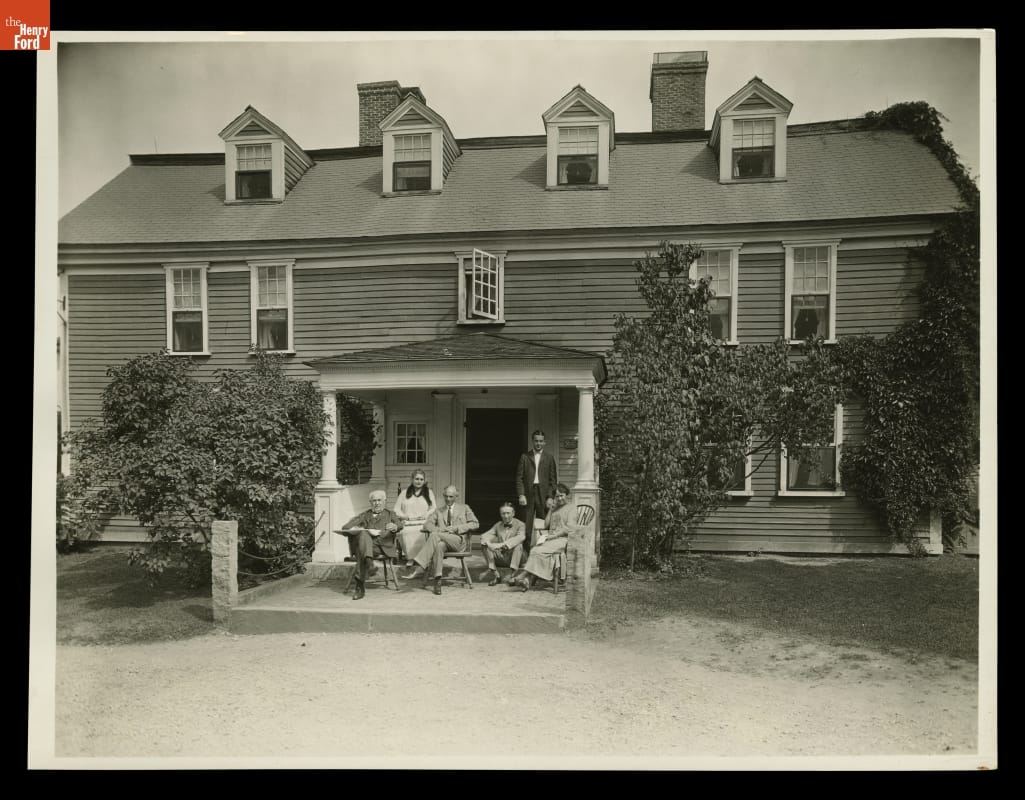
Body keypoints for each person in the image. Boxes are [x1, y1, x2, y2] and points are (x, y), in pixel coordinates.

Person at [401, 485, 479, 595]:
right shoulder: (438, 511)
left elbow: (475, 524)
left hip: (458, 541)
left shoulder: (464, 508)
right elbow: (427, 525)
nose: (448, 499)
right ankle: (437, 580)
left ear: (456, 496)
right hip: (443, 541)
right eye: (446, 496)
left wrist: (457, 528)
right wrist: (440, 530)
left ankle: (420, 565)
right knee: (439, 546)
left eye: (451, 497)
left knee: (434, 536)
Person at [335, 489, 400, 601]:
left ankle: (360, 586)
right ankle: (369, 563)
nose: (377, 503)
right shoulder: (365, 515)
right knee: (363, 535)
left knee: (361, 550)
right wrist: (357, 526)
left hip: (382, 548)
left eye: (379, 500)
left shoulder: (390, 514)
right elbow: (345, 528)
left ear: (385, 501)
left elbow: (399, 524)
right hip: (367, 547)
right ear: (370, 502)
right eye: (374, 501)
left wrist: (395, 526)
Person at [513, 483, 577, 592]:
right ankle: (527, 580)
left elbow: (569, 528)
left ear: (567, 495)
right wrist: (551, 510)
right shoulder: (556, 509)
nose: (559, 498)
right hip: (551, 539)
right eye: (557, 496)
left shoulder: (572, 508)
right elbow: (546, 525)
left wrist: (553, 536)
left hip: (563, 540)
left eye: (562, 495)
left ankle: (523, 575)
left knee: (537, 551)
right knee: (535, 550)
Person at [515, 429, 558, 552]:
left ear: (544, 442)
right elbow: (519, 478)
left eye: (541, 441)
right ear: (532, 441)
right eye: (536, 441)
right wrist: (521, 494)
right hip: (529, 493)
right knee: (527, 524)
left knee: (544, 523)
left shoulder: (549, 458)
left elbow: (553, 480)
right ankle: (526, 554)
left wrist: (550, 496)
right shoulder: (525, 457)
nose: (538, 443)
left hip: (543, 494)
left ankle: (542, 552)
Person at [393, 468, 435, 566]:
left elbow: (433, 508)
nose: (419, 481)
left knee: (423, 533)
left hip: (423, 522)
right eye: (417, 479)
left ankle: (422, 558)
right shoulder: (404, 493)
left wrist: (426, 515)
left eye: (421, 479)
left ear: (424, 481)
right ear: (412, 479)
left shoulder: (429, 492)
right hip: (408, 522)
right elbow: (396, 509)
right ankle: (411, 558)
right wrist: (404, 516)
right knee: (406, 532)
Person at [479, 502, 526, 586]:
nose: (506, 516)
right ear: (500, 514)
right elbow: (484, 536)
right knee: (484, 545)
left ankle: (512, 576)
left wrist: (500, 545)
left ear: (513, 513)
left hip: (516, 558)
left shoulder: (521, 525)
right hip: (502, 556)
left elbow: (520, 537)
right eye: (503, 513)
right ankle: (497, 576)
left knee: (519, 545)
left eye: (508, 513)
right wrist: (489, 544)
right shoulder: (498, 525)